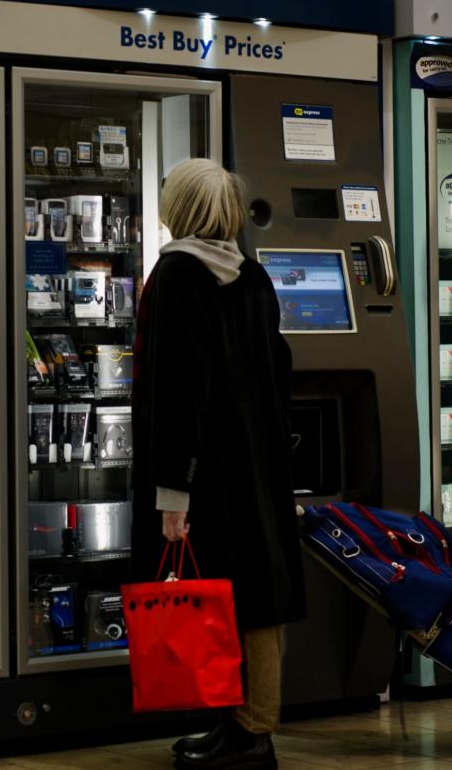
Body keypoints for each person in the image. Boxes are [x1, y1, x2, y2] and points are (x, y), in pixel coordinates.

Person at [131, 158, 305, 770]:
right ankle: (239, 725)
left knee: (222, 597)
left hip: (206, 469)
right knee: (255, 594)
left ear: (178, 208)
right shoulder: (252, 276)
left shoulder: (177, 274)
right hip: (257, 462)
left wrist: (173, 494)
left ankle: (251, 733)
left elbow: (178, 392)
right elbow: (277, 372)